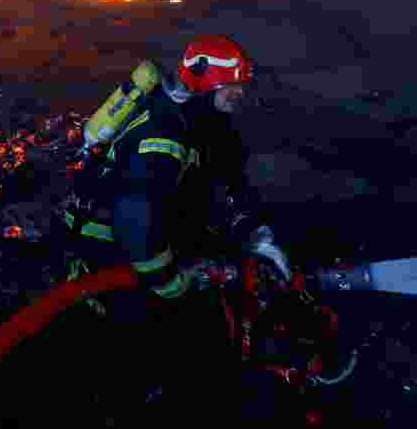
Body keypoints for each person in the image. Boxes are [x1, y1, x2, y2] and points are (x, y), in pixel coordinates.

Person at [61, 34, 292, 420]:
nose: (239, 95)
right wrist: (173, 283)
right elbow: (137, 226)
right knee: (152, 349)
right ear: (203, 81)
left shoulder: (200, 121)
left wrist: (259, 236)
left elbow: (229, 181)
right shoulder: (163, 135)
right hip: (112, 255)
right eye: (231, 86)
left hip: (149, 238)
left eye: (241, 86)